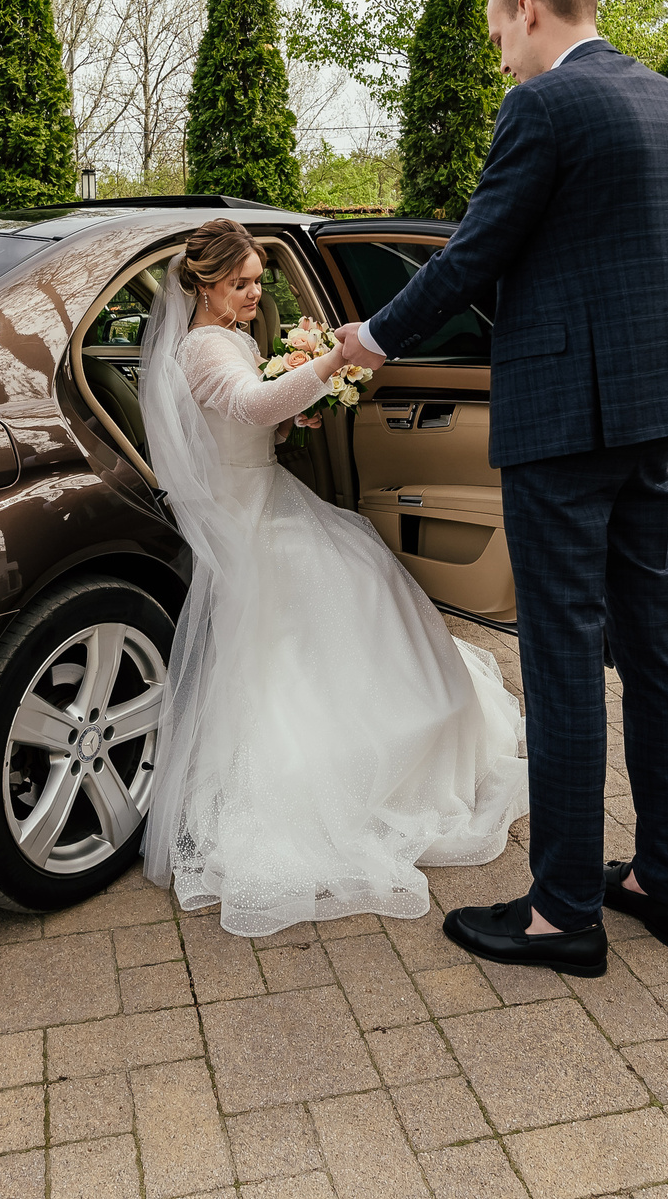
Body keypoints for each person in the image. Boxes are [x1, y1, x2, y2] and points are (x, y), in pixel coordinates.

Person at [338, 0, 668, 978]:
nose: (500, 62)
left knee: (563, 653)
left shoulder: (543, 109)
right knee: (652, 643)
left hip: (563, 420)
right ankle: (667, 880)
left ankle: (562, 910)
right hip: (657, 417)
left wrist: (371, 338)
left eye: (498, 40)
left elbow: (475, 253)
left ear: (527, 9)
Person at [137, 218, 528, 937]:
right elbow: (252, 404)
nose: (256, 294)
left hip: (264, 492)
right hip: (243, 513)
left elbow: (260, 421)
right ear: (202, 283)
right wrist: (326, 366)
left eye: (259, 280)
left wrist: (301, 407)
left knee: (364, 575)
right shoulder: (201, 346)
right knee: (349, 581)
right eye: (240, 283)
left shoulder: (235, 339)